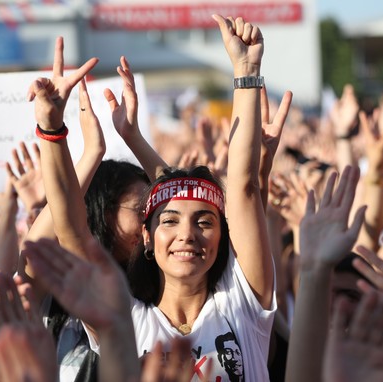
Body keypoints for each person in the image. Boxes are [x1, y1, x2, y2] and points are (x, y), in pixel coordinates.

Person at [24, 13, 292, 381]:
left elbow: (245, 185)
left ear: (223, 235)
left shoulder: (242, 301)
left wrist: (246, 72)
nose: (187, 234)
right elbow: (71, 230)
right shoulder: (122, 319)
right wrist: (51, 130)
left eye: (205, 221)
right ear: (146, 238)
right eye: (169, 221)